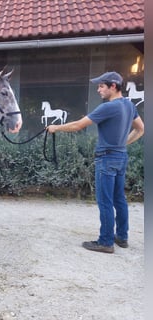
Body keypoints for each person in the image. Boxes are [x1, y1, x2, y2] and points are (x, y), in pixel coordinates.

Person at [47, 71, 144, 254]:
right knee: (119, 199)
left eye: (101, 86)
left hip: (106, 159)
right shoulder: (129, 106)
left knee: (105, 201)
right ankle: (122, 237)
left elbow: (79, 125)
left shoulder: (108, 107)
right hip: (121, 157)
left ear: (113, 86)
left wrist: (55, 127)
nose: (98, 89)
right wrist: (122, 143)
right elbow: (141, 129)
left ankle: (106, 241)